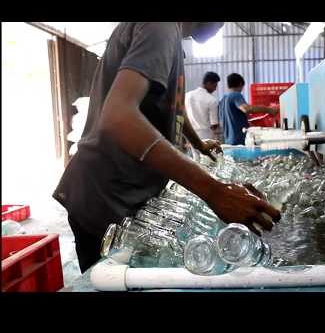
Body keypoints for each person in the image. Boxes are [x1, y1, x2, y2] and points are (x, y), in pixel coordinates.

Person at [52, 23, 281, 273]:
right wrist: (215, 192)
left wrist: (198, 144)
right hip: (106, 194)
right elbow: (119, 116)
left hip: (122, 190)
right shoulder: (159, 27)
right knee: (111, 277)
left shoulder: (169, 39)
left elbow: (176, 108)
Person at [219, 73, 278, 145]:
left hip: (228, 141)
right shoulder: (236, 95)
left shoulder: (222, 100)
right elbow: (247, 109)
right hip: (238, 141)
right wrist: (269, 110)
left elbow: (228, 119)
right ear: (240, 84)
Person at [185, 71, 221, 140]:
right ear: (209, 83)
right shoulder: (212, 100)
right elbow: (214, 124)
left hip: (190, 135)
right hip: (206, 137)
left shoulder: (187, 96)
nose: (215, 89)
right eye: (215, 86)